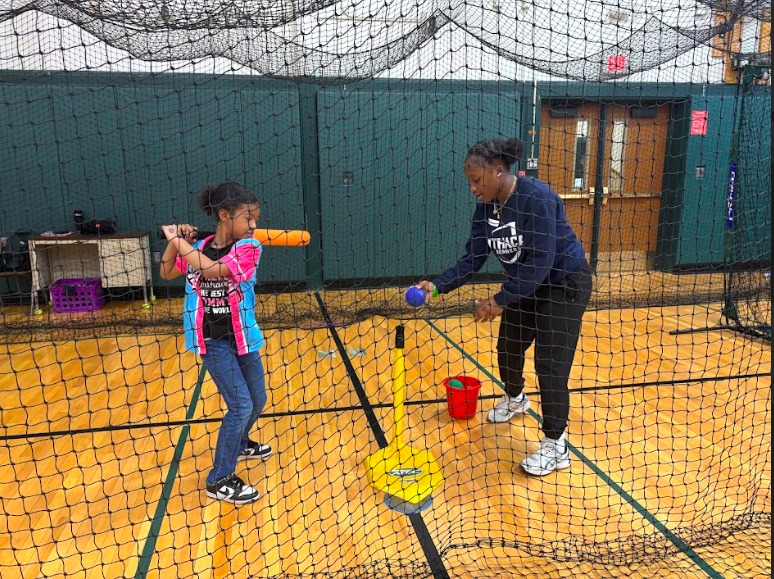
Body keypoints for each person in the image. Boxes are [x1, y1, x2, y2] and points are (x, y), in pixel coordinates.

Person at [415, 138, 592, 476]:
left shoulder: (536, 198)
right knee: (508, 347)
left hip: (564, 283)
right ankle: (516, 399)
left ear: (498, 171)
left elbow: (541, 263)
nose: (472, 188)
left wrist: (498, 300)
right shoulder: (486, 208)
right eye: (470, 181)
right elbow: (472, 257)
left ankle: (557, 447)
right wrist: (437, 286)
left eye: (477, 180)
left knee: (549, 365)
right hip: (528, 285)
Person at [160, 181, 271, 503]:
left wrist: (179, 243)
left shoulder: (249, 247)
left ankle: (239, 443)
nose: (254, 225)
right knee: (240, 405)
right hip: (211, 339)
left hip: (242, 336)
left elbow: (212, 271)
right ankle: (219, 478)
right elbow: (167, 272)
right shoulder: (202, 246)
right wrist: (176, 242)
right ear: (224, 215)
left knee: (258, 399)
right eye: (248, 218)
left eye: (255, 219)